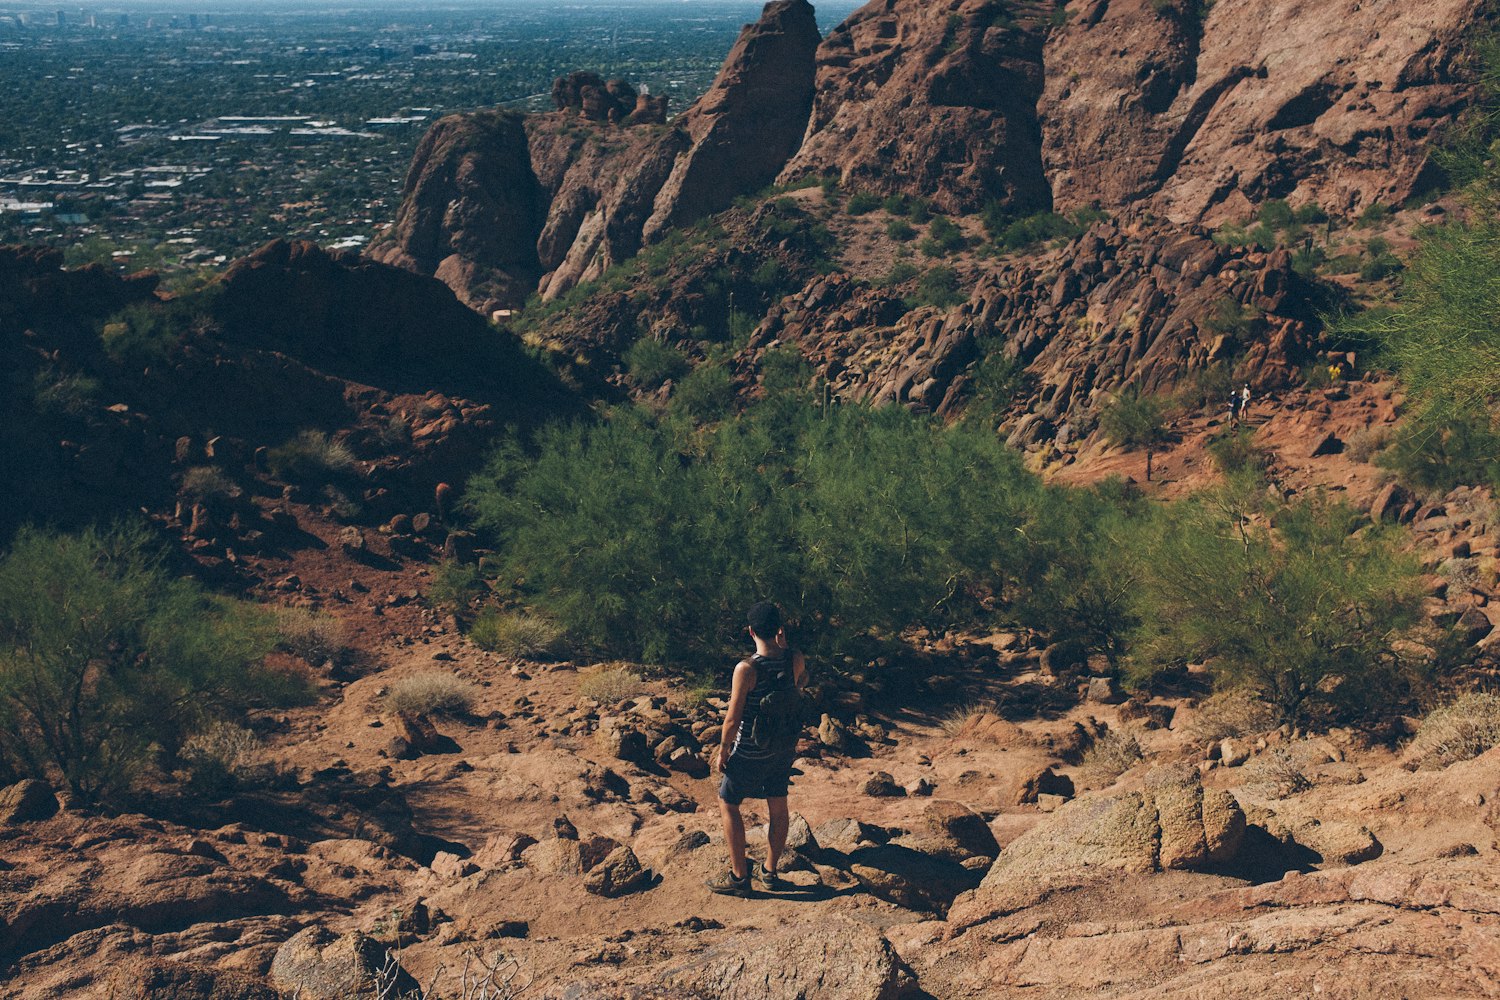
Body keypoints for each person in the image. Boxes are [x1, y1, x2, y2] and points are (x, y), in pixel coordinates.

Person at [705, 601, 807, 897]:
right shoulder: (795, 658)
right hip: (783, 748)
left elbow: (732, 718)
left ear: (750, 631)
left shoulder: (746, 669)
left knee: (728, 802)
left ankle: (739, 877)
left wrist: (724, 750)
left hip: (751, 751)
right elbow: (801, 684)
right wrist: (784, 647)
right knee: (778, 804)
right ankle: (770, 872)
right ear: (779, 629)